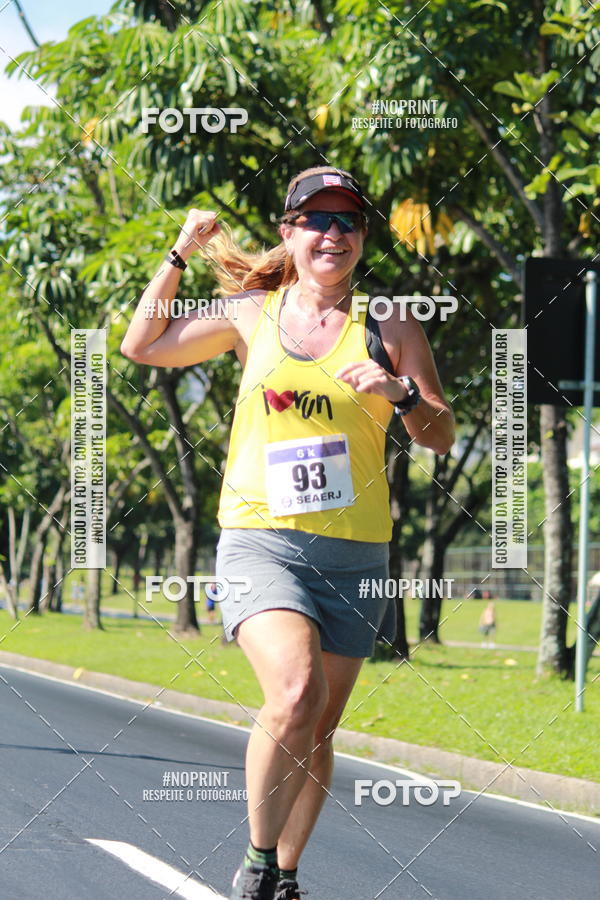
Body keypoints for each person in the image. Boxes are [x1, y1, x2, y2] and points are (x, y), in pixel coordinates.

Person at [121, 166, 455, 900]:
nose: (333, 234)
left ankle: (288, 876)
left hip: (358, 549)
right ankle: (258, 861)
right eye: (317, 221)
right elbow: (141, 343)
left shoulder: (389, 320)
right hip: (260, 538)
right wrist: (179, 252)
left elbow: (440, 433)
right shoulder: (252, 312)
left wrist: (400, 394)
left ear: (362, 237)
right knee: (296, 693)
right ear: (289, 233)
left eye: (348, 222)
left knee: (321, 730)